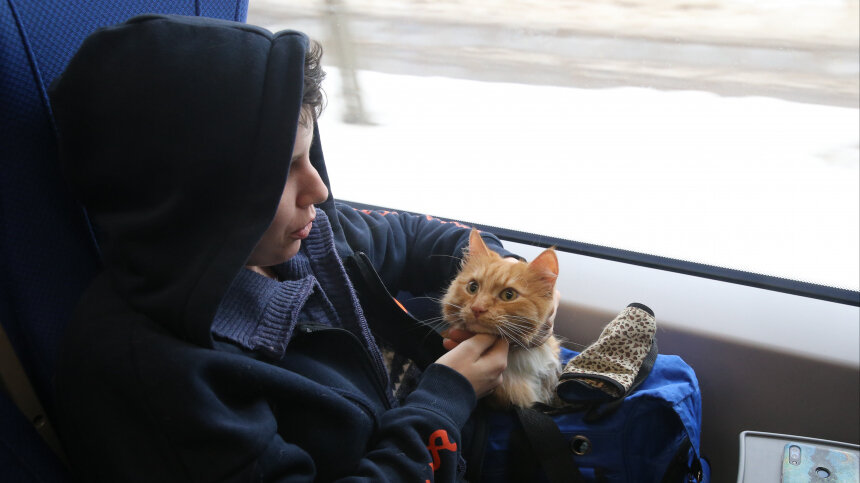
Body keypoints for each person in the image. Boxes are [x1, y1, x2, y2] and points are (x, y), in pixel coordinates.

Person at [49, 14, 554, 482]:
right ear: (198, 194)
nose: (319, 190)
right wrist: (444, 400)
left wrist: (509, 268)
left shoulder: (305, 237)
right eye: (284, 169)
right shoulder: (171, 379)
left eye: (309, 155)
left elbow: (417, 235)